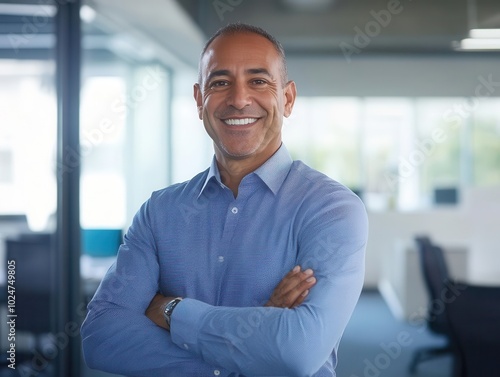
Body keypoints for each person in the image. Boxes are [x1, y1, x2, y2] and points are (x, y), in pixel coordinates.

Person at [81, 22, 368, 377]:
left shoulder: (331, 210)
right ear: (200, 100)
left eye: (259, 81)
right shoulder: (159, 212)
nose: (239, 99)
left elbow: (296, 352)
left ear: (288, 99)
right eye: (220, 83)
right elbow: (101, 338)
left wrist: (171, 310)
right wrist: (257, 330)